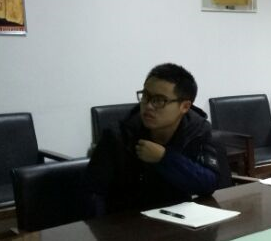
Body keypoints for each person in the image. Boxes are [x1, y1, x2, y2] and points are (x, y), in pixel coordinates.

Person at [85, 63, 229, 215]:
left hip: (176, 217)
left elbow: (209, 184)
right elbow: (92, 192)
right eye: (145, 96)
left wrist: (164, 158)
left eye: (159, 100)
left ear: (185, 107)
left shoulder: (198, 130)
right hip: (127, 220)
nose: (148, 106)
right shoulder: (118, 134)